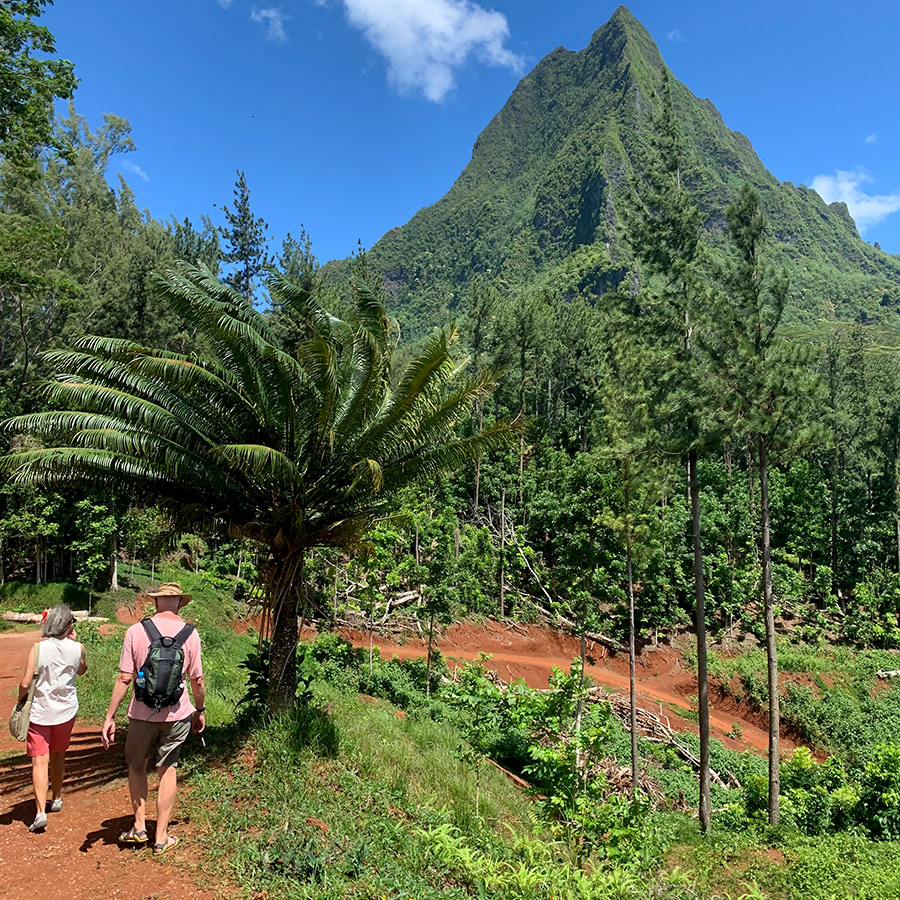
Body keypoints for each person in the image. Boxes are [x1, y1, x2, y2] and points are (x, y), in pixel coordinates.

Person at [101, 582, 205, 855]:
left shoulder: (136, 631)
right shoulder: (191, 635)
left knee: (136, 766)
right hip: (177, 713)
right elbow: (198, 680)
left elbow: (125, 677)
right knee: (168, 768)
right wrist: (200, 710)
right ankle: (161, 837)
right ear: (180, 603)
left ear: (156, 602)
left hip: (141, 713)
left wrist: (110, 716)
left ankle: (138, 827)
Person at [18, 604, 87, 833]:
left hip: (40, 712)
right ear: (68, 626)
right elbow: (82, 670)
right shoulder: (78, 648)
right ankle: (56, 797)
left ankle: (40, 812)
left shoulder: (38, 649)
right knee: (59, 755)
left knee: (39, 760)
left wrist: (21, 700)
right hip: (66, 711)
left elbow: (26, 683)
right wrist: (74, 642)